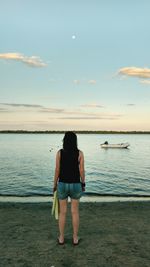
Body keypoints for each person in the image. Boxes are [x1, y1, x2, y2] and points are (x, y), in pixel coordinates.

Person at [53, 131, 85, 245]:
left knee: (62, 213)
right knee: (75, 212)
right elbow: (81, 170)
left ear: (64, 141)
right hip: (76, 184)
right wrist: (83, 183)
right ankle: (75, 238)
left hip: (62, 184)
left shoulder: (59, 153)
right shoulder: (80, 153)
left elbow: (57, 170)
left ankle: (61, 238)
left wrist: (54, 184)